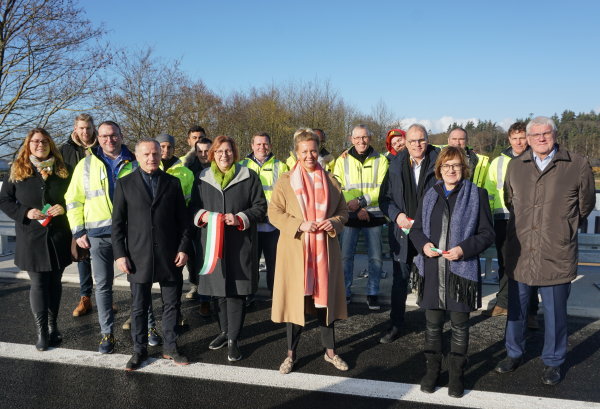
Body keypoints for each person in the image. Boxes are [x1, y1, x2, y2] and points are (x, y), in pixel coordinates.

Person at [495, 116, 595, 386]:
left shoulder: (576, 164)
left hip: (556, 250)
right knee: (517, 308)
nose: (541, 138)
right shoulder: (516, 166)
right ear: (526, 139)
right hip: (522, 251)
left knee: (555, 312)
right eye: (535, 134)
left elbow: (585, 204)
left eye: (546, 133)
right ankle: (514, 353)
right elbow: (509, 199)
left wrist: (563, 227)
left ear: (554, 134)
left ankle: (553, 361)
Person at [409, 146, 495, 398]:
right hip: (433, 269)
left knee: (459, 326)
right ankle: (432, 371)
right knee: (433, 325)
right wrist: (423, 245)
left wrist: (463, 250)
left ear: (464, 168)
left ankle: (457, 374)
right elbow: (415, 230)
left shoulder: (477, 194)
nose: (451, 170)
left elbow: (487, 234)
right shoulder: (430, 194)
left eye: (456, 165)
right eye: (446, 165)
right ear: (439, 169)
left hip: (461, 272)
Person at [269, 128, 349, 374]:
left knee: (326, 306)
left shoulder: (331, 180)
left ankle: (330, 353)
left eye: (313, 150)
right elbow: (274, 212)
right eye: (304, 151)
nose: (310, 155)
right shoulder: (284, 181)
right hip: (296, 252)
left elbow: (344, 213)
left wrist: (333, 222)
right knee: (296, 304)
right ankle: (290, 355)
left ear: (319, 150)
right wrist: (298, 224)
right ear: (297, 152)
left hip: (324, 253)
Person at [112, 139, 191, 370]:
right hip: (138, 257)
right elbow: (117, 224)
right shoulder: (125, 184)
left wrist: (184, 248)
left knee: (171, 305)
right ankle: (139, 350)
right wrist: (120, 254)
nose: (151, 158)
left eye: (155, 153)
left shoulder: (173, 183)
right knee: (139, 307)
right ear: (137, 157)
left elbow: (184, 223)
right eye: (146, 154)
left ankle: (170, 347)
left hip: (170, 255)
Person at [65, 121, 140, 353]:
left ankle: (144, 327)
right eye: (105, 136)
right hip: (98, 234)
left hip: (131, 233)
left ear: (121, 135)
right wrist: (78, 231)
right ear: (98, 137)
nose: (110, 140)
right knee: (103, 286)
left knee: (138, 283)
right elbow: (73, 199)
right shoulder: (86, 165)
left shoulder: (135, 162)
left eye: (114, 135)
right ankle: (107, 333)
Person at [190, 136, 267, 362]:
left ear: (235, 153)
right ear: (213, 154)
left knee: (235, 293)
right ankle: (223, 332)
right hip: (213, 244)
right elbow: (193, 207)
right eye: (220, 151)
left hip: (240, 244)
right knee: (217, 292)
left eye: (229, 151)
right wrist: (203, 216)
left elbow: (260, 207)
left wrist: (241, 217)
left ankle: (234, 339)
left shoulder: (249, 176)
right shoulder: (202, 178)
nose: (225, 155)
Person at [0, 128, 72, 350]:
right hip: (31, 237)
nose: (40, 144)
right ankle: (41, 331)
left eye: (44, 141)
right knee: (39, 283)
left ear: (51, 144)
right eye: (35, 141)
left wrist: (66, 207)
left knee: (55, 283)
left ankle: (53, 326)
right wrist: (25, 212)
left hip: (58, 236)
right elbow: (4, 200)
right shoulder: (17, 170)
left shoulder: (64, 170)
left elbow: (77, 197)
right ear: (28, 145)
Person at [379, 124, 439, 343]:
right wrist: (397, 216)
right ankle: (396, 324)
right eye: (412, 141)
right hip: (402, 231)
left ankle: (433, 326)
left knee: (431, 279)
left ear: (427, 140)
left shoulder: (438, 161)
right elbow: (384, 199)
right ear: (406, 142)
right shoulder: (395, 163)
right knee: (400, 281)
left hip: (429, 231)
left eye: (421, 140)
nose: (417, 145)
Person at [482, 123, 539, 326]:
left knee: (530, 265)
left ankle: (531, 311)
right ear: (509, 139)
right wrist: (488, 216)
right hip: (502, 219)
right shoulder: (497, 162)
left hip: (530, 221)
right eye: (514, 138)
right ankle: (504, 302)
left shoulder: (537, 158)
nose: (518, 142)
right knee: (505, 263)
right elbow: (489, 190)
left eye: (522, 137)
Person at [333, 124, 388, 310]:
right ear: (351, 139)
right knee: (345, 256)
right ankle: (345, 291)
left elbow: (382, 186)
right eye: (357, 138)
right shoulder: (342, 160)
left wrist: (362, 202)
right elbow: (338, 185)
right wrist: (356, 208)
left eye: (364, 137)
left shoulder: (381, 160)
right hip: (350, 215)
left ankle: (372, 292)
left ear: (370, 138)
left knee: (376, 258)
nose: (361, 141)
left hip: (375, 215)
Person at [239, 132, 288, 298]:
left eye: (265, 144)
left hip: (273, 225)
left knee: (274, 264)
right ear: (252, 146)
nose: (262, 147)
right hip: (250, 224)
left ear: (271, 146)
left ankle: (276, 297)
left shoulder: (281, 166)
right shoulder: (241, 165)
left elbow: (286, 195)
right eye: (258, 144)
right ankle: (249, 296)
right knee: (250, 263)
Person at [60, 114, 97, 318]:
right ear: (75, 128)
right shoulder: (64, 151)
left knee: (103, 255)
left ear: (94, 128)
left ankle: (104, 297)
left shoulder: (103, 146)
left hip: (101, 209)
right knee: (83, 255)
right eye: (81, 128)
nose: (85, 132)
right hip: (77, 209)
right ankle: (85, 297)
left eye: (88, 128)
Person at [184, 137, 213, 317]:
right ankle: (204, 299)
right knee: (198, 261)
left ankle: (214, 296)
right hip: (195, 220)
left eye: (206, 151)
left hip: (217, 220)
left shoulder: (219, 167)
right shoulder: (188, 170)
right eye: (199, 151)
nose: (203, 154)